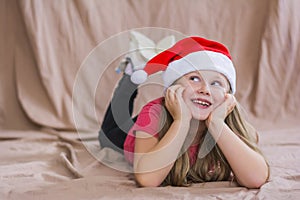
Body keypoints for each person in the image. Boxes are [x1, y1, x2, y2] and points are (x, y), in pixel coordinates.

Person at [99, 36, 270, 188]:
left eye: (216, 83)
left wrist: (217, 124)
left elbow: (256, 178)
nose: (205, 89)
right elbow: (148, 179)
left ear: (228, 96)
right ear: (174, 87)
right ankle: (130, 76)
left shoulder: (230, 122)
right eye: (194, 79)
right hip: (140, 132)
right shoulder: (154, 114)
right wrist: (181, 121)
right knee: (107, 135)